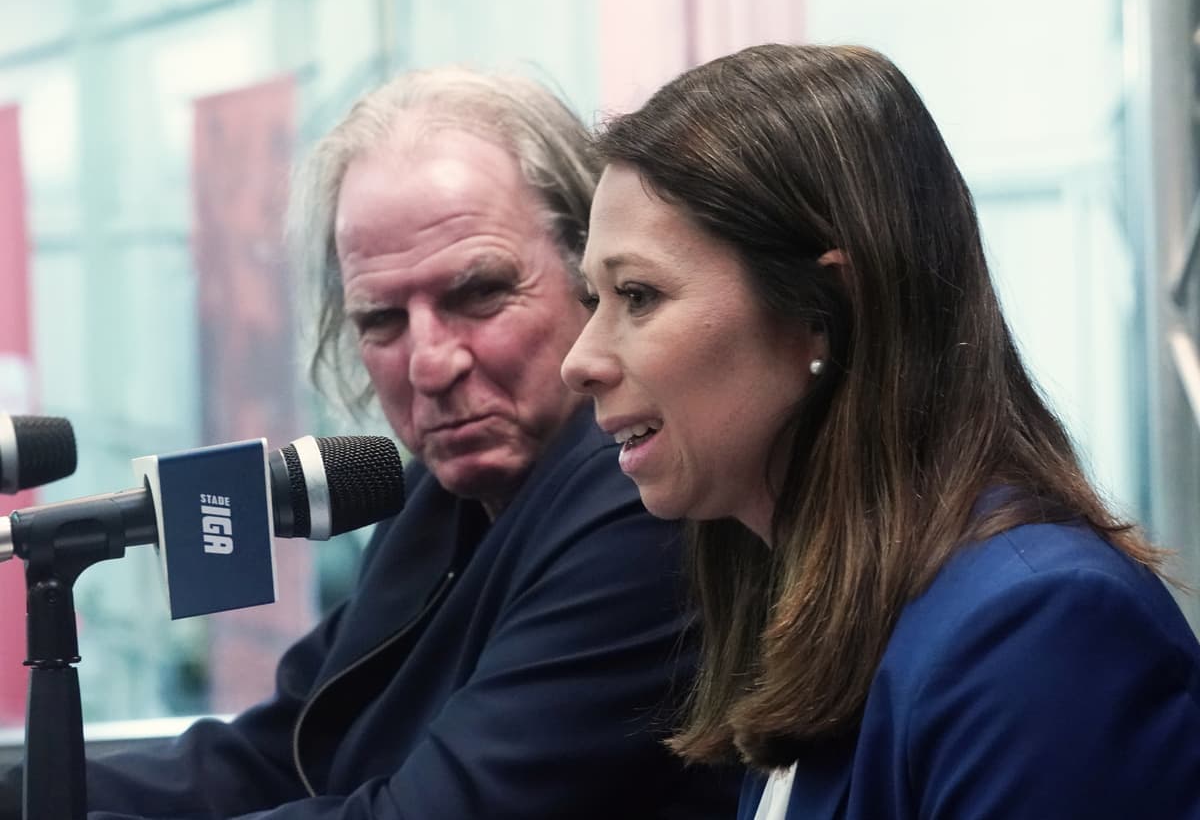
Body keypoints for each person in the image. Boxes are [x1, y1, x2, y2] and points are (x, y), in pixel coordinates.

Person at [0, 67, 739, 819]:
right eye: (381, 319)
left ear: (591, 276)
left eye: (478, 292)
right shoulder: (433, 491)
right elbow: (284, 748)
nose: (429, 362)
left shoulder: (641, 504)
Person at [561, 43, 1200, 819]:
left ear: (822, 310)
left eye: (638, 294)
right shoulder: (817, 602)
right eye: (591, 297)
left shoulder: (1038, 630)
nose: (581, 359)